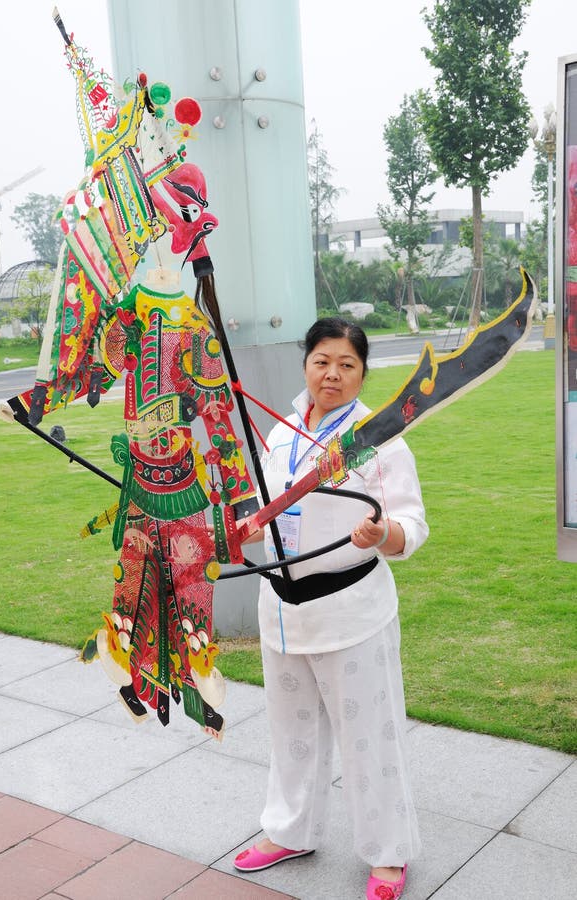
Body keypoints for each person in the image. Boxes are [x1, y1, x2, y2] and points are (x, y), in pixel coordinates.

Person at [233, 317, 428, 900]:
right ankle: (291, 830)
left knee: (370, 735)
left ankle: (389, 852)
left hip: (352, 611)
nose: (333, 374)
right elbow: (263, 509)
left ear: (362, 372)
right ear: (306, 366)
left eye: (346, 364)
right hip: (284, 612)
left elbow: (412, 524)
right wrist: (245, 526)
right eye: (322, 361)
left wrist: (384, 532)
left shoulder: (381, 436)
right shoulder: (284, 431)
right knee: (291, 732)